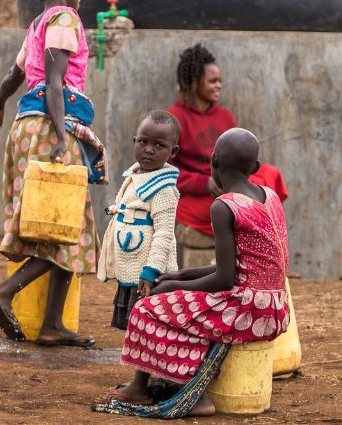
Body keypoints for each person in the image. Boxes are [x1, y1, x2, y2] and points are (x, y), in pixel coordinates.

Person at [93, 128, 290, 418]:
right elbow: (239, 268)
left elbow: (224, 279)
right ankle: (156, 383)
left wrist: (172, 289)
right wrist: (177, 278)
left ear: (213, 162)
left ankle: (184, 392)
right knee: (172, 296)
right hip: (274, 307)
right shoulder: (268, 196)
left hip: (246, 310)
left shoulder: (224, 206)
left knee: (147, 309)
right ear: (256, 168)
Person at [0, 0, 103, 347]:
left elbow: (14, 74)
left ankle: (51, 325)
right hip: (50, 127)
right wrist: (64, 137)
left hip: (24, 128)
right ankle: (5, 291)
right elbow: (54, 80)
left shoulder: (36, 25)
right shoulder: (64, 19)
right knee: (69, 224)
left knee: (58, 228)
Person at [168, 44, 288, 265]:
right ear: (194, 83)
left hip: (230, 186)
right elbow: (165, 173)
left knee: (271, 176)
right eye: (213, 81)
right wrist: (204, 182)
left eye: (220, 80)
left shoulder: (225, 117)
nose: (219, 86)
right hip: (199, 195)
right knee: (240, 204)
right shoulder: (175, 119)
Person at [97, 111, 182, 331]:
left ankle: (146, 364)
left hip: (147, 274)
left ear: (173, 151)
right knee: (133, 327)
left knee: (147, 325)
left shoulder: (164, 189)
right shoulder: (135, 176)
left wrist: (151, 270)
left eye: (159, 145)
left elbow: (164, 233)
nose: (149, 149)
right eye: (143, 142)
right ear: (134, 141)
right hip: (131, 266)